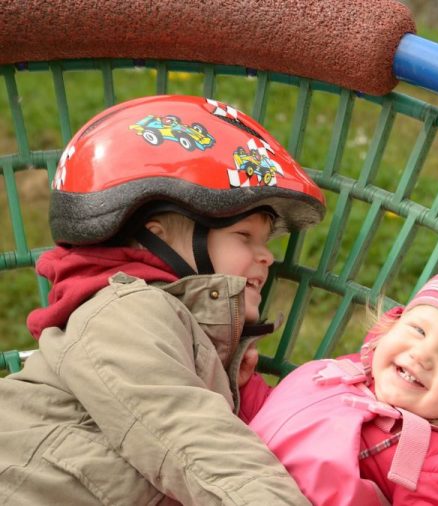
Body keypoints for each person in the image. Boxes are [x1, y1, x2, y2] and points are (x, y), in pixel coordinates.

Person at [0, 95, 326, 505]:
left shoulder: (201, 348)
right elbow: (192, 440)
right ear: (160, 236)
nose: (268, 256)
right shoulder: (124, 311)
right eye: (244, 236)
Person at [246, 254, 438, 505]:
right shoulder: (346, 375)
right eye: (419, 330)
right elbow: (272, 418)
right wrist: (244, 385)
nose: (422, 354)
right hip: (232, 467)